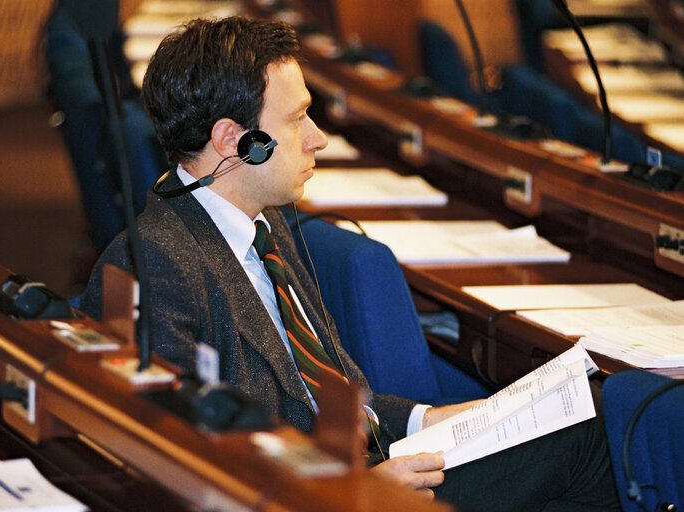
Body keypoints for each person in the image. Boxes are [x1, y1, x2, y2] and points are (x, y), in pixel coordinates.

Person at [81, 16, 619, 511]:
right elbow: (186, 465)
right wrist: (355, 490)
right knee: (594, 436)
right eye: (296, 120)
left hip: (365, 462)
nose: (318, 138)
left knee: (587, 405)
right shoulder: (154, 268)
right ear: (235, 141)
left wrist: (427, 419)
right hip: (326, 498)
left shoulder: (264, 228)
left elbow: (323, 395)